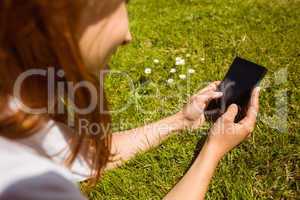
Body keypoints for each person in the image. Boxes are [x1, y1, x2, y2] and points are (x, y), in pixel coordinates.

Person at [0, 0, 260, 199]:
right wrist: (213, 150)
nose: (128, 36)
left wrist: (181, 120)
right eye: (119, 3)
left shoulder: (13, 110)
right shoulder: (24, 182)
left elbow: (87, 156)